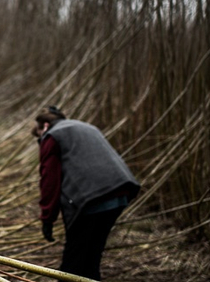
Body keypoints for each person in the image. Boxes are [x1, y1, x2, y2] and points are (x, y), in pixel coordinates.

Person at [32, 106, 140, 281]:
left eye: (39, 136)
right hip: (120, 193)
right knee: (91, 255)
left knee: (72, 262)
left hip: (91, 200)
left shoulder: (52, 136)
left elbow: (49, 181)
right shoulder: (86, 127)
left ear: (44, 126)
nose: (40, 141)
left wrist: (47, 219)